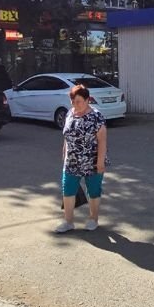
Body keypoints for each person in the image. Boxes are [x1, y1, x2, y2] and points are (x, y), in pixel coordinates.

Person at [56, 84, 109, 233]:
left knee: (93, 190)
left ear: (87, 100)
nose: (75, 104)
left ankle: (93, 219)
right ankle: (68, 222)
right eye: (72, 101)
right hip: (71, 161)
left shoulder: (96, 116)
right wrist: (64, 151)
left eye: (78, 101)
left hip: (92, 161)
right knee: (68, 189)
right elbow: (67, 135)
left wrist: (100, 162)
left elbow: (102, 141)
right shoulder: (70, 113)